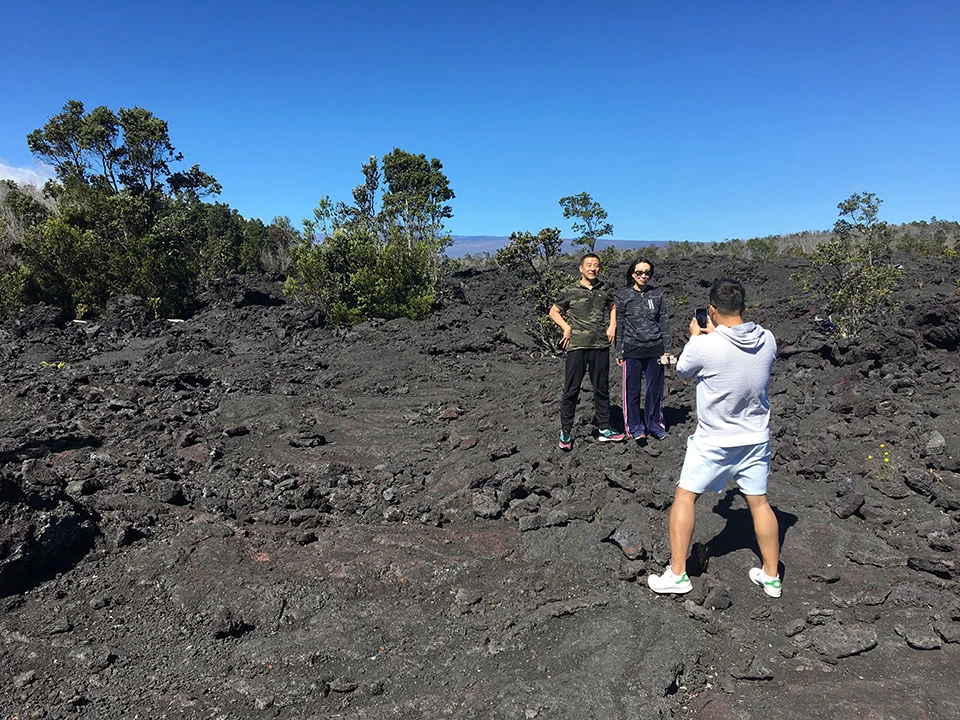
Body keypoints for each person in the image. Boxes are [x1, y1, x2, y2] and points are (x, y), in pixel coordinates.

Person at [647, 278, 782, 598]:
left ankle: (678, 574)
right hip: (754, 438)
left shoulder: (703, 346)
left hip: (714, 441)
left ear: (711, 310)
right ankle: (772, 576)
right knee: (759, 503)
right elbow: (742, 360)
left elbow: (684, 370)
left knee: (685, 497)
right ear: (743, 306)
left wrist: (697, 337)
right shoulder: (768, 339)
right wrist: (716, 335)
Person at [549, 253, 626, 450]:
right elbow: (554, 311)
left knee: (601, 388)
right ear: (581, 268)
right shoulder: (570, 290)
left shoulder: (604, 290)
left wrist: (612, 325)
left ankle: (604, 428)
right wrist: (566, 327)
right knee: (571, 389)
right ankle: (566, 431)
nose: (593, 268)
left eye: (596, 265)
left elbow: (613, 306)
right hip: (577, 346)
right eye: (589, 265)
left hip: (600, 345)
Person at [614, 258, 671, 442]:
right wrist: (618, 351)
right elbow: (620, 325)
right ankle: (635, 427)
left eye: (647, 272)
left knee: (655, 390)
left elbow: (664, 322)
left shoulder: (657, 295)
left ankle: (654, 424)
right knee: (632, 391)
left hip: (655, 348)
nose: (643, 276)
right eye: (639, 272)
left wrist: (667, 348)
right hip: (632, 349)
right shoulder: (624, 296)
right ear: (632, 274)